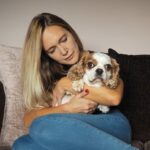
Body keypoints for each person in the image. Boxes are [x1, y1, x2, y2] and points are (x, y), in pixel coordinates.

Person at [12, 13, 138, 150]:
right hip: (73, 129)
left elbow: (114, 98)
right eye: (52, 50)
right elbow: (28, 120)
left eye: (64, 39)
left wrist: (66, 83)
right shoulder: (49, 76)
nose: (64, 51)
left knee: (41, 127)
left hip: (111, 123)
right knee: (22, 145)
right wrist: (67, 108)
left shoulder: (98, 60)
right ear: (45, 55)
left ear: (71, 33)